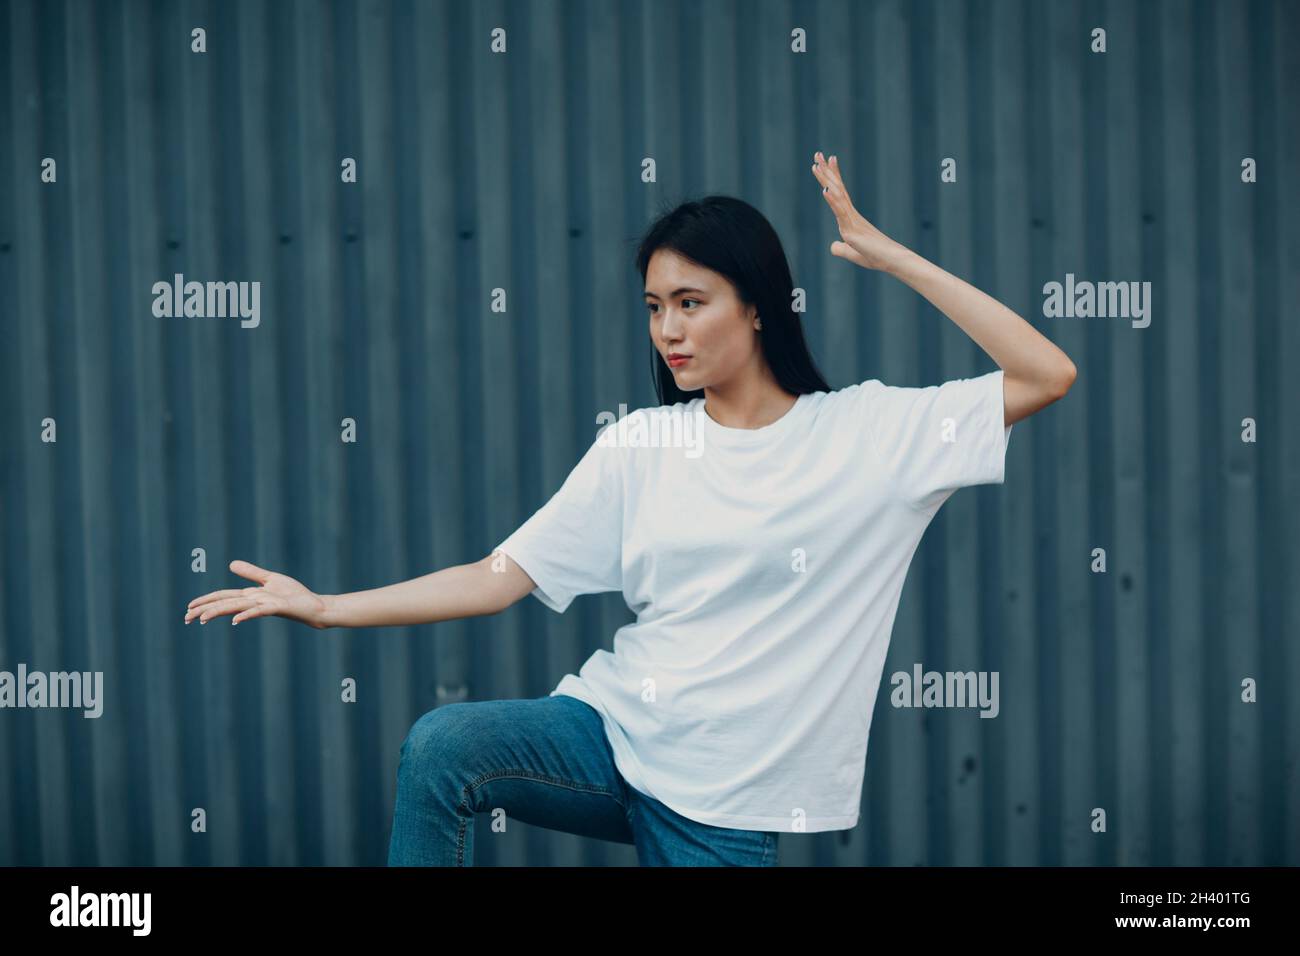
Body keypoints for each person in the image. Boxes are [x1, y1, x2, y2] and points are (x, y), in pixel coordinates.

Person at [184, 152, 1076, 866]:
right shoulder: (640, 447)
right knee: (444, 745)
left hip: (728, 800)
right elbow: (499, 577)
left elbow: (1047, 373)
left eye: (692, 303)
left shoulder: (870, 434)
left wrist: (890, 257)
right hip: (612, 738)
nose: (669, 331)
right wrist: (326, 606)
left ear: (760, 308)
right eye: (656, 307)